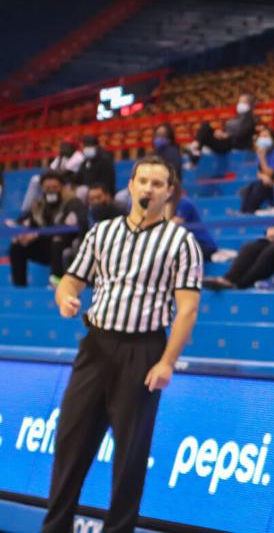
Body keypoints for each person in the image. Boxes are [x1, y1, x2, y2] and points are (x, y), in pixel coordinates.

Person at [42, 154, 202, 533]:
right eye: (142, 180)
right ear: (130, 186)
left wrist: (166, 362)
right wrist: (64, 298)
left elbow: (188, 310)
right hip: (95, 347)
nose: (148, 188)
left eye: (157, 183)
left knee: (129, 458)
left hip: (143, 352)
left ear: (169, 192)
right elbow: (71, 280)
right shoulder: (102, 233)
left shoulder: (181, 242)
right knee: (69, 446)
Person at [202, 168, 274, 290]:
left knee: (272, 250)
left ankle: (241, 284)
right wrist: (270, 231)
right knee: (251, 247)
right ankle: (228, 279)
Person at [7, 171, 88, 287]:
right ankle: (19, 286)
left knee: (56, 241)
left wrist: (37, 234)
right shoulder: (39, 204)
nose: (51, 190)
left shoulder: (73, 203)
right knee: (17, 246)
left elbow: (80, 225)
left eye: (54, 187)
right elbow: (25, 221)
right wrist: (21, 233)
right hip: (45, 247)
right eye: (47, 188)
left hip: (66, 245)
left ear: (62, 187)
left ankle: (56, 283)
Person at [21, 138, 84, 214]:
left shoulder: (78, 156)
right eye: (63, 146)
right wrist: (60, 159)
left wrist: (49, 177)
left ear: (73, 147)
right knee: (35, 180)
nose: (64, 148)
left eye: (67, 146)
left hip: (72, 182)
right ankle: (27, 210)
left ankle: (29, 211)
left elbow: (63, 173)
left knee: (40, 181)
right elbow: (51, 170)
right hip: (59, 180)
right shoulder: (62, 157)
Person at [240, 125, 274, 213]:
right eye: (261, 136)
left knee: (259, 187)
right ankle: (243, 212)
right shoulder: (262, 152)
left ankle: (249, 212)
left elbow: (270, 173)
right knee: (251, 187)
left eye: (266, 136)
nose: (263, 139)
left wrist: (262, 158)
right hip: (268, 182)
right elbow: (259, 172)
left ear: (272, 139)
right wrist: (263, 177)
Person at [171, 188, 218, 262]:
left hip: (202, 244)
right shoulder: (172, 206)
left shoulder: (184, 202)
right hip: (191, 244)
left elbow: (175, 223)